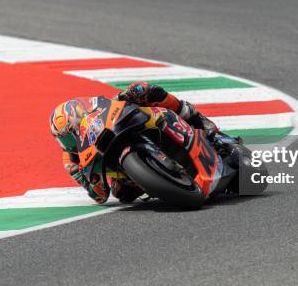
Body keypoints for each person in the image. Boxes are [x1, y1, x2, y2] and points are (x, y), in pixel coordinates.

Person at [48, 82, 218, 204]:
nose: (72, 140)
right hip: (124, 174)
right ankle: (161, 181)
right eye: (65, 138)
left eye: (73, 132)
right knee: (121, 194)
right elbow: (98, 196)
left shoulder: (98, 110)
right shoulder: (71, 161)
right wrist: (92, 180)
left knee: (146, 91)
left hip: (123, 127)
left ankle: (197, 119)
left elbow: (126, 96)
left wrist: (129, 94)